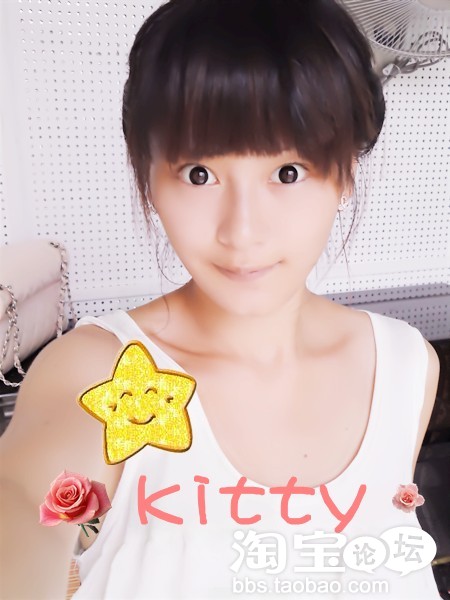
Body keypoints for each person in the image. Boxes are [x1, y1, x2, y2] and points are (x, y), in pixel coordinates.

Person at [0, 0, 442, 598]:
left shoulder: (404, 367)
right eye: (198, 174)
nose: (242, 232)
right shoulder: (100, 373)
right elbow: (22, 506)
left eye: (288, 172)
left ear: (344, 175)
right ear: (148, 176)